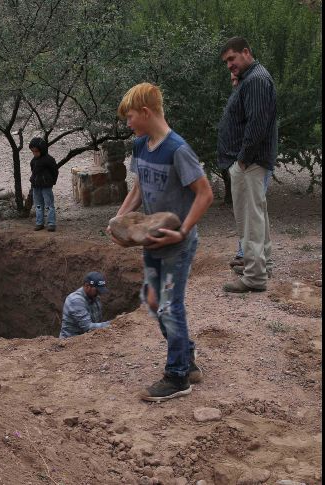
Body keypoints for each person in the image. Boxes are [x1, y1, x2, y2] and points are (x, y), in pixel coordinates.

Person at [107, 82, 213, 402]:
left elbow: (205, 194)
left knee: (170, 305)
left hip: (177, 244)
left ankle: (178, 376)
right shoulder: (141, 146)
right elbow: (138, 189)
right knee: (155, 303)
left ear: (145, 112)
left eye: (130, 117)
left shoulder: (178, 149)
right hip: (151, 242)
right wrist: (118, 221)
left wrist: (182, 231)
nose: (127, 124)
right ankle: (188, 359)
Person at [218, 37, 277, 292]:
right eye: (226, 62)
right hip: (250, 162)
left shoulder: (256, 81)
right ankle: (260, 265)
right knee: (257, 215)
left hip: (249, 163)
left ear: (246, 52)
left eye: (232, 58)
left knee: (250, 219)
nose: (229, 65)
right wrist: (237, 82)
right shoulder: (250, 79)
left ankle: (254, 277)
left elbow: (256, 125)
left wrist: (242, 159)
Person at [59, 271, 111, 338]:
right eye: (97, 290)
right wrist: (112, 323)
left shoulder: (95, 297)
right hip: (70, 343)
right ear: (87, 286)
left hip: (88, 340)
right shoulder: (76, 300)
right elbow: (88, 327)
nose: (99, 293)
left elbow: (97, 323)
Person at [28, 137, 58, 232]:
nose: (34, 153)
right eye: (33, 152)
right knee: (38, 205)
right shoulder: (33, 161)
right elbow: (33, 172)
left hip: (46, 187)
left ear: (42, 150)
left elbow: (55, 171)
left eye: (36, 151)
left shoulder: (49, 160)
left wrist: (52, 182)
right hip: (36, 186)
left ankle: (51, 223)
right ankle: (39, 223)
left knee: (49, 205)